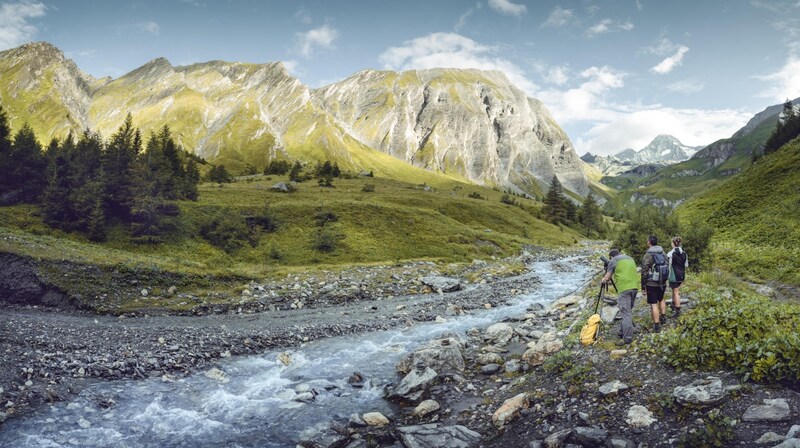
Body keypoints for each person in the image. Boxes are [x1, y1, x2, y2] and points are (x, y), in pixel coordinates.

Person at [602, 248, 639, 345]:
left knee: (625, 312)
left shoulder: (613, 260)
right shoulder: (630, 258)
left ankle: (627, 338)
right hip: (635, 287)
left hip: (624, 288)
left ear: (611, 257)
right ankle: (622, 331)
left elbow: (608, 277)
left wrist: (603, 280)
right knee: (627, 310)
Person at [641, 235, 668, 332]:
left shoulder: (647, 255)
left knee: (653, 304)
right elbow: (667, 265)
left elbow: (644, 271)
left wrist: (643, 286)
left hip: (651, 283)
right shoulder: (663, 252)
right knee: (661, 299)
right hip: (662, 281)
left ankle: (657, 325)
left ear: (649, 242)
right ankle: (663, 317)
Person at [667, 236, 689, 317]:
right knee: (675, 290)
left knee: (675, 292)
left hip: (674, 275)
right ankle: (674, 304)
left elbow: (669, 265)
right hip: (682, 274)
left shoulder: (670, 253)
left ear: (673, 243)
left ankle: (677, 310)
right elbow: (686, 265)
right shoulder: (684, 253)